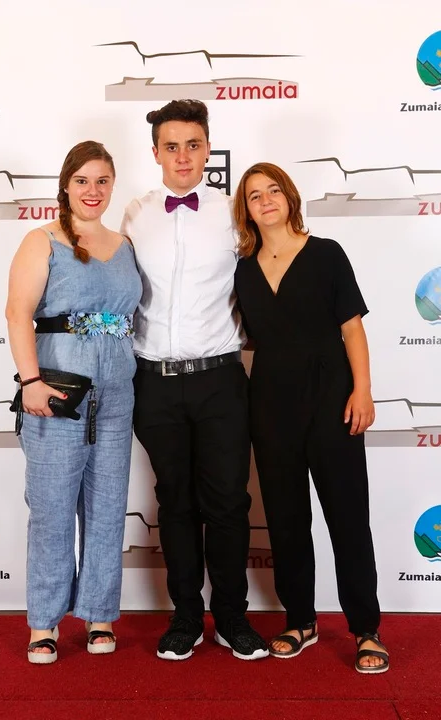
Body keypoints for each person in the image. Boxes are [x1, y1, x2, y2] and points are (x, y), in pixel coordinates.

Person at [121, 100, 268, 661]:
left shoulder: (233, 213)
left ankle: (232, 617)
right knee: (175, 502)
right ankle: (184, 617)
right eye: (171, 146)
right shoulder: (135, 215)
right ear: (155, 152)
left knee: (228, 502)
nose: (183, 156)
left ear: (208, 150)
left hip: (221, 381)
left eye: (193, 145)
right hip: (154, 382)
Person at [233, 162, 389, 674]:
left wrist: (362, 391)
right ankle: (300, 620)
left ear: (290, 197)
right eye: (254, 195)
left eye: (273, 190)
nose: (265, 200)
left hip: (332, 396)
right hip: (270, 401)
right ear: (246, 210)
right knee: (285, 518)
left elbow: (352, 329)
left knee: (347, 516)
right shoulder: (243, 269)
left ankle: (366, 629)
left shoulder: (326, 253)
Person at [6, 141, 142, 664]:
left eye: (102, 181)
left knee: (107, 508)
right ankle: (43, 623)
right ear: (65, 185)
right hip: (56, 393)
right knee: (52, 510)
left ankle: (99, 615)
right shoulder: (42, 240)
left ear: (113, 186)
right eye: (83, 180)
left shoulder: (125, 245)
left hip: (117, 395)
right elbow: (17, 313)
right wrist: (30, 381)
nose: (93, 190)